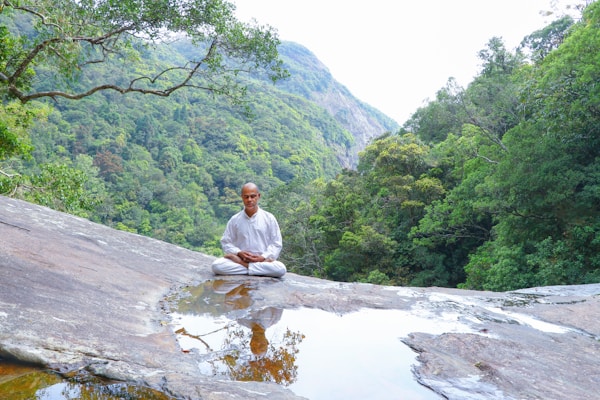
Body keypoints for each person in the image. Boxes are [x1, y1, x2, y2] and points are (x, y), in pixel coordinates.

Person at [211, 182, 287, 277]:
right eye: (246, 197)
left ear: (258, 196)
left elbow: (276, 243)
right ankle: (255, 269)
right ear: (242, 197)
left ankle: (245, 267)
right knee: (216, 266)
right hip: (241, 259)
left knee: (281, 269)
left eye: (253, 196)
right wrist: (238, 253)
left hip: (262, 260)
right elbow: (226, 242)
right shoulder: (235, 219)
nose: (249, 200)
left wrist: (263, 257)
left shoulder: (269, 218)